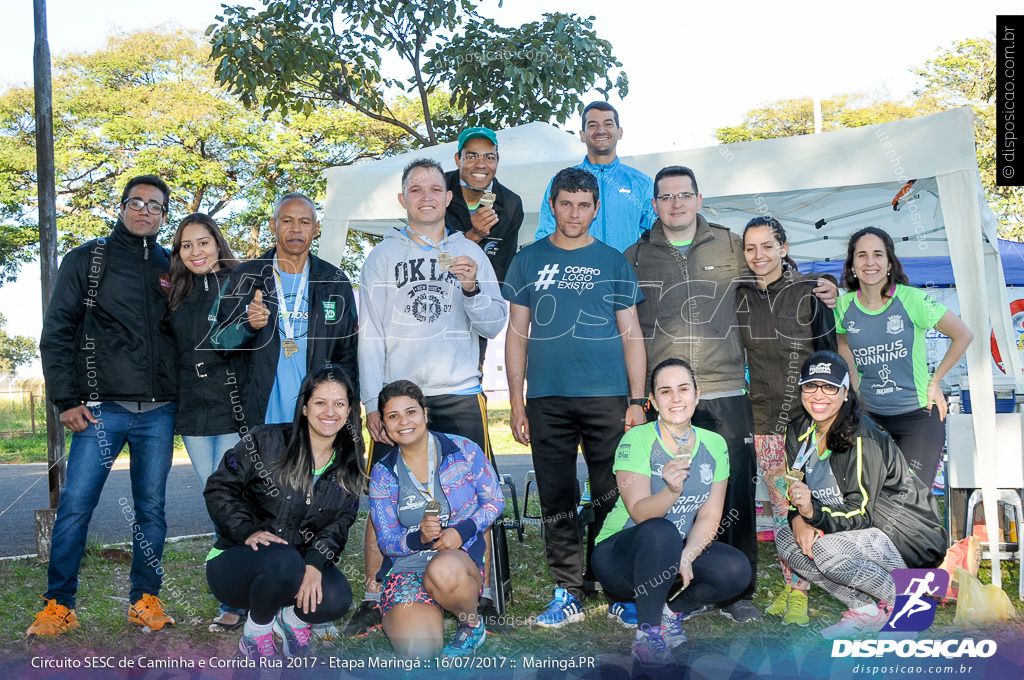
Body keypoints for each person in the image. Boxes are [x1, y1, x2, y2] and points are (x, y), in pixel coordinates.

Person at [624, 166, 838, 623]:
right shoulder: (635, 256)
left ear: (699, 199)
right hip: (666, 399)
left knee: (734, 496)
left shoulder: (727, 243)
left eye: (684, 195)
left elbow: (770, 272)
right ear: (655, 204)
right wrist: (636, 396)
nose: (675, 204)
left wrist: (818, 286)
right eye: (666, 197)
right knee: (670, 493)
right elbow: (625, 328)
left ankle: (735, 593)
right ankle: (670, 588)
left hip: (724, 391)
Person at [348, 158, 508, 637]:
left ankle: (480, 594)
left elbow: (494, 323)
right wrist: (373, 401)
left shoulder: (470, 254)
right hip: (397, 399)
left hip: (457, 391)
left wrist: (472, 287)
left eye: (435, 189)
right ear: (403, 200)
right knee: (386, 498)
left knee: (475, 492)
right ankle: (378, 593)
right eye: (415, 189)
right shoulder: (380, 256)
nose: (426, 197)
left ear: (448, 197)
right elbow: (370, 334)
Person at [30, 175, 178, 637]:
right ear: (121, 207)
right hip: (100, 410)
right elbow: (56, 333)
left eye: (155, 206)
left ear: (163, 216)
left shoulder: (173, 267)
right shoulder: (87, 260)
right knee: (76, 505)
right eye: (136, 202)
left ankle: (144, 600)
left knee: (150, 509)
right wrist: (65, 399)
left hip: (158, 411)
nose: (144, 211)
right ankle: (59, 605)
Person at [504, 166, 647, 628]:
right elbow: (516, 334)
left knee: (614, 495)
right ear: (552, 204)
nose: (574, 213)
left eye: (584, 205)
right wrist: (517, 401)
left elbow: (633, 337)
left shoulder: (614, 261)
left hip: (608, 397)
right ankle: (566, 589)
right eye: (565, 203)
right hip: (547, 399)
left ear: (596, 209)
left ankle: (617, 586)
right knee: (557, 497)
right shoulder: (527, 259)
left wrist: (638, 400)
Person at [778, 351, 947, 639]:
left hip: (906, 535)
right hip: (854, 530)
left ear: (845, 393)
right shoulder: (798, 429)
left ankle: (907, 607)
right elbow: (797, 487)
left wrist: (812, 515)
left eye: (829, 386)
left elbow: (860, 512)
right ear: (801, 389)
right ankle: (865, 611)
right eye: (811, 385)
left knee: (825, 550)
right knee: (786, 542)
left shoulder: (861, 436)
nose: (819, 395)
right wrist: (798, 519)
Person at [592, 359, 750, 666]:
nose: (676, 398)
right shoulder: (637, 439)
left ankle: (669, 612)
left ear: (697, 394)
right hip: (620, 558)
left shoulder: (715, 444)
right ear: (652, 401)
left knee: (736, 569)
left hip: (671, 552)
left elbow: (709, 517)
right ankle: (647, 636)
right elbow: (640, 514)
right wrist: (671, 490)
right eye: (666, 391)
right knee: (660, 529)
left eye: (683, 389)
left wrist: (687, 556)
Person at [204, 364, 363, 660]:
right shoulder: (265, 440)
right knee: (285, 561)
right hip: (237, 563)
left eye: (339, 403)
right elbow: (219, 488)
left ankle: (290, 623)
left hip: (294, 568)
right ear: (304, 408)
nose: (330, 412)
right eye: (320, 402)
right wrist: (246, 530)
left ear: (349, 410)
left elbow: (340, 524)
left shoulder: (349, 463)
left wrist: (316, 563)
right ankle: (255, 635)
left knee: (337, 596)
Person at [735, 216, 837, 626]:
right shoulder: (738, 297)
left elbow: (830, 359)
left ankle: (841, 583)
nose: (759, 255)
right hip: (764, 423)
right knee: (781, 509)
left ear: (784, 247)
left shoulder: (811, 294)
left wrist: (831, 418)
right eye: (750, 248)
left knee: (815, 508)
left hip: (810, 423)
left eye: (767, 246)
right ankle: (795, 588)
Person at [369, 380, 505, 657]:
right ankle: (423, 613)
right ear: (383, 424)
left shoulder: (463, 450)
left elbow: (495, 501)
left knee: (443, 570)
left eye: (411, 412)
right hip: (407, 570)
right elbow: (387, 542)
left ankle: (470, 624)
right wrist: (418, 537)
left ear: (425, 414)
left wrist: (463, 530)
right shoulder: (383, 474)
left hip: (456, 563)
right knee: (420, 653)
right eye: (393, 416)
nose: (403, 422)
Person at [835, 226, 974, 488]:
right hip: (869, 417)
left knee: (911, 498)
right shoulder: (843, 306)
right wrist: (853, 389)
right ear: (852, 265)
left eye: (878, 254)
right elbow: (843, 341)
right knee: (869, 495)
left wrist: (936, 382)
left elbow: (963, 334)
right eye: (861, 255)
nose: (870, 262)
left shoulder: (913, 300)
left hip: (919, 416)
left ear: (889, 263)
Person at [163, 212, 248, 632]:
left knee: (237, 502)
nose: (195, 251)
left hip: (233, 407)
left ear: (217, 243)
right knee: (218, 505)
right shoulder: (175, 291)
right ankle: (232, 597)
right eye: (186, 245)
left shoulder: (241, 282)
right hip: (193, 413)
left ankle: (243, 599)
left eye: (203, 242)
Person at [211, 191, 359, 426]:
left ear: (316, 228)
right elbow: (218, 342)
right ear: (273, 225)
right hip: (259, 419)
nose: (296, 229)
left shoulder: (334, 281)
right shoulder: (246, 276)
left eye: (305, 222)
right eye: (287, 221)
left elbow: (348, 354)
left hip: (320, 421)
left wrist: (348, 413)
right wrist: (247, 326)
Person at [535, 102, 656, 252]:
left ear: (620, 132)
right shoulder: (561, 181)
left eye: (608, 123)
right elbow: (545, 236)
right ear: (582, 135)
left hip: (622, 272)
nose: (601, 130)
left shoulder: (642, 183)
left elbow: (657, 233)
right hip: (574, 272)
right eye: (592, 125)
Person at [444, 126, 525, 285]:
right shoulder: (436, 191)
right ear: (457, 159)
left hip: (482, 301)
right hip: (438, 296)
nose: (481, 164)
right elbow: (429, 260)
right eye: (471, 157)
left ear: (497, 160)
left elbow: (501, 271)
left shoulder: (510, 204)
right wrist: (473, 236)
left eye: (489, 157)